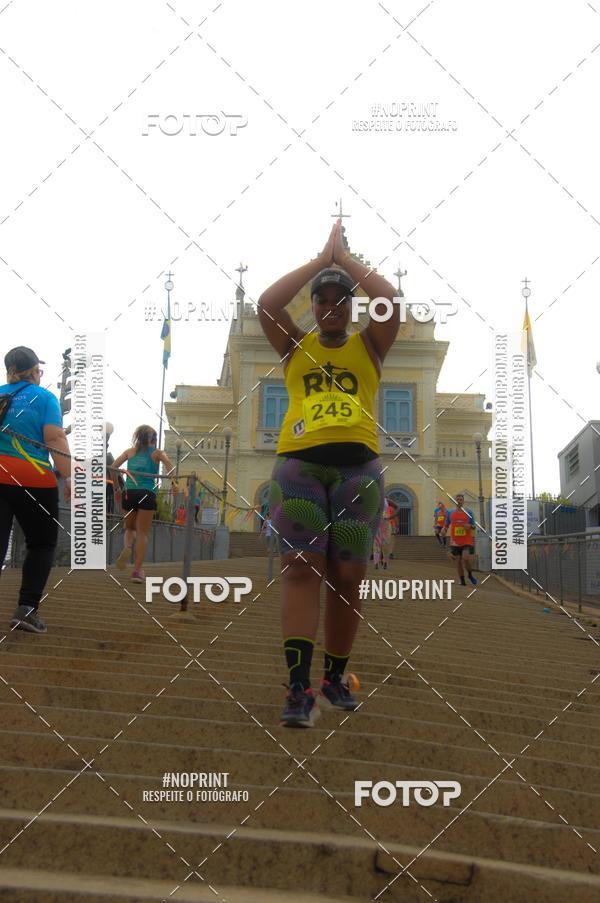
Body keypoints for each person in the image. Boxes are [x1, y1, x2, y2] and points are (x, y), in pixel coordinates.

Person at [258, 218, 399, 727]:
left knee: (348, 578)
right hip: (299, 463)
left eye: (342, 300)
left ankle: (334, 677)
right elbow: (268, 304)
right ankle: (298, 689)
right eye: (324, 300)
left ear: (354, 306)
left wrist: (346, 262)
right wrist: (321, 262)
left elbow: (391, 300)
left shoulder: (370, 345)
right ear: (314, 307)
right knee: (300, 568)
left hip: (358, 469)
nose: (333, 307)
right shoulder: (296, 346)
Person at [0, 347, 71, 633]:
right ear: (34, 371)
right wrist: (71, 480)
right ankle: (26, 609)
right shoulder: (44, 398)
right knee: (41, 544)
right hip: (33, 478)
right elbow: (54, 438)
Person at [112, 426, 174, 583]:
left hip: (129, 492)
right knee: (142, 533)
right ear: (153, 439)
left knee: (130, 527)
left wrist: (117, 488)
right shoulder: (157, 453)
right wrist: (172, 479)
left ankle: (127, 547)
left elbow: (113, 467)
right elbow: (169, 465)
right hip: (146, 493)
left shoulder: (130, 452)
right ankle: (137, 571)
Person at [441, 494, 478, 586]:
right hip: (455, 542)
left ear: (463, 501)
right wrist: (443, 530)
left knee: (465, 558)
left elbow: (474, 526)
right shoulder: (450, 513)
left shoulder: (469, 512)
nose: (459, 501)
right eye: (457, 499)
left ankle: (469, 575)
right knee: (458, 562)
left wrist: (469, 526)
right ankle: (462, 580)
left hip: (466, 541)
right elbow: (446, 525)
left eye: (460, 499)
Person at [373, 497, 394, 569]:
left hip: (386, 524)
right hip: (377, 524)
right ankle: (376, 563)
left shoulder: (386, 500)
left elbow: (397, 507)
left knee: (386, 544)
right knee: (376, 545)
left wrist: (391, 517)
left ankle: (385, 562)